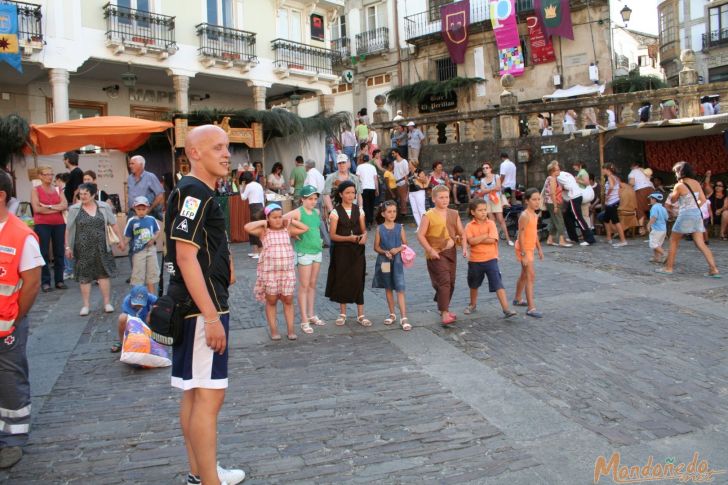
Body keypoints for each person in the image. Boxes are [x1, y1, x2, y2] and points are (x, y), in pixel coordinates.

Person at [165, 124, 245, 485]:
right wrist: (212, 317)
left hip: (196, 307)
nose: (226, 154)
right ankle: (208, 480)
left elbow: (195, 250)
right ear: (194, 153)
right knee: (209, 396)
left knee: (196, 392)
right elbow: (185, 257)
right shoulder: (194, 192)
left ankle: (202, 472)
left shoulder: (195, 191)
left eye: (227, 147)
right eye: (217, 148)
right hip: (202, 310)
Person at [0, 170, 44, 469]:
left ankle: (13, 440)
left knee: (10, 380)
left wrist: (15, 319)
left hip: (8, 326)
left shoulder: (20, 235)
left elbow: (31, 283)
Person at [246, 203, 308, 340]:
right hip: (270, 273)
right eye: (274, 217)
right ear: (267, 218)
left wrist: (290, 220)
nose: (278, 220)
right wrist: (263, 222)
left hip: (287, 273)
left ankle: (291, 330)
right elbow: (247, 227)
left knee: (288, 300)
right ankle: (274, 331)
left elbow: (305, 228)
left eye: (280, 217)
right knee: (272, 301)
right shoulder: (264, 231)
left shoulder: (287, 230)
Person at [65, 183, 124, 316]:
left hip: (101, 247)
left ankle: (107, 303)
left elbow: (113, 224)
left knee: (103, 274)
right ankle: (86, 305)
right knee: (84, 277)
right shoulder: (74, 209)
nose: (83, 196)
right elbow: (68, 229)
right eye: (81, 194)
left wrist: (120, 240)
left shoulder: (103, 207)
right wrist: (67, 247)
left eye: (86, 193)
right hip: (82, 248)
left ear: (93, 194)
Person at [657, 161, 720, 278]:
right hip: (697, 214)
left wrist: (674, 195)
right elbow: (703, 200)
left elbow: (674, 200)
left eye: (676, 172)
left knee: (673, 241)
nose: (675, 174)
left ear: (680, 172)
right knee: (700, 243)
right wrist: (694, 206)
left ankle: (668, 268)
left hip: (685, 215)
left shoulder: (679, 185)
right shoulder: (696, 183)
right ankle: (714, 269)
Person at [417, 185, 465, 326]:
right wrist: (430, 250)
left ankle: (443, 305)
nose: (445, 200)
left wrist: (464, 246)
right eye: (441, 197)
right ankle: (444, 313)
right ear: (433, 199)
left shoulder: (454, 213)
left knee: (451, 282)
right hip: (436, 253)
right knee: (444, 281)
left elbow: (461, 232)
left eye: (447, 197)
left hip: (451, 252)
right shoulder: (428, 215)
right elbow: (420, 235)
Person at [324, 180, 370, 326]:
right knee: (342, 279)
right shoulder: (335, 212)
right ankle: (342, 313)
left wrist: (364, 237)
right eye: (347, 193)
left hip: (357, 251)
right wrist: (349, 238)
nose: (351, 196)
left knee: (358, 279)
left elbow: (363, 230)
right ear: (341, 194)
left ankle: (361, 314)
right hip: (341, 252)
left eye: (353, 193)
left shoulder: (360, 210)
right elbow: (333, 236)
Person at [463, 198, 517, 319]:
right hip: (475, 260)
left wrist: (479, 239)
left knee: (498, 283)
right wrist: (485, 235)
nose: (483, 212)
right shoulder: (469, 226)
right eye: (480, 210)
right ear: (473, 212)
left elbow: (493, 240)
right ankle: (472, 304)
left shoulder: (491, 223)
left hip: (491, 259)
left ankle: (506, 308)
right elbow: (471, 241)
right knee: (474, 284)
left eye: (485, 210)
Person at [284, 185, 326, 334]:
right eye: (310, 199)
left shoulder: (316, 211)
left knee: (313, 284)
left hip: (316, 250)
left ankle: (311, 314)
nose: (313, 201)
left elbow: (315, 228)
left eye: (315, 199)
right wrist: (293, 231)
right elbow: (282, 220)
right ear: (302, 199)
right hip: (304, 252)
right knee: (304, 285)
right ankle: (303, 319)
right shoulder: (297, 212)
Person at [372, 201, 410, 331]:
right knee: (388, 287)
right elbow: (376, 247)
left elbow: (405, 244)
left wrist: (397, 249)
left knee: (400, 287)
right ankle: (392, 313)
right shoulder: (379, 229)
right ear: (383, 214)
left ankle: (404, 317)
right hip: (384, 262)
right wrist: (385, 252)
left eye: (394, 211)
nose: (392, 214)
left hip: (397, 261)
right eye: (389, 211)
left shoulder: (400, 227)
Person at [30, 165, 68, 292]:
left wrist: (48, 207)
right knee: (44, 253)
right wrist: (55, 207)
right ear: (40, 176)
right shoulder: (36, 190)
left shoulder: (58, 189)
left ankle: (59, 281)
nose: (50, 177)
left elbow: (65, 205)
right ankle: (45, 282)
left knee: (59, 252)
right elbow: (37, 209)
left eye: (51, 174)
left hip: (59, 224)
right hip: (42, 224)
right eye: (46, 174)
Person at [513, 189, 544, 318]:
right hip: (524, 249)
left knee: (524, 275)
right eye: (534, 199)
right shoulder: (525, 216)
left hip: (530, 248)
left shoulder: (535, 215)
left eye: (538, 199)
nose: (537, 202)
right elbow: (521, 235)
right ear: (527, 201)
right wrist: (524, 254)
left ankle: (517, 298)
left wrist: (539, 249)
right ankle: (531, 308)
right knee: (530, 276)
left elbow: (534, 233)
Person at [123, 196, 161, 294]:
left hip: (151, 250)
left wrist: (153, 239)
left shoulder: (152, 219)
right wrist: (123, 244)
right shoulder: (132, 221)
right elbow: (128, 235)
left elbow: (157, 231)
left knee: (151, 276)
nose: (141, 211)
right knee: (138, 276)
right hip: (138, 252)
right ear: (134, 208)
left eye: (143, 209)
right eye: (138, 209)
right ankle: (138, 299)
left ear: (147, 208)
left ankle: (151, 298)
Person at [111, 285, 158, 353]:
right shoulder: (127, 301)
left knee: (158, 313)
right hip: (134, 325)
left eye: (140, 304)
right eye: (136, 304)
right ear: (131, 297)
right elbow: (134, 322)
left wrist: (150, 313)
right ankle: (123, 342)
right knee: (122, 318)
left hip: (147, 323)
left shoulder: (149, 297)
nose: (138, 306)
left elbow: (160, 303)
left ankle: (156, 336)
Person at [557, 165, 596, 246]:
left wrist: (562, 189)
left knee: (578, 217)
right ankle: (573, 238)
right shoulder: (566, 174)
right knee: (567, 215)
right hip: (576, 195)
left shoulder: (558, 177)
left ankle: (589, 238)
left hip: (574, 197)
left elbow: (568, 186)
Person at [481, 162, 513, 246]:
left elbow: (498, 187)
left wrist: (487, 190)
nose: (485, 169)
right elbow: (482, 191)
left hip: (496, 199)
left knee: (500, 219)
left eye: (487, 167)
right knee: (491, 221)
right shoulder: (482, 180)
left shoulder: (496, 176)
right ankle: (494, 238)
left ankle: (508, 238)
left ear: (490, 169)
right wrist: (492, 189)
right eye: (483, 168)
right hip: (487, 201)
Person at [127, 155, 164, 220]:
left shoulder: (150, 176)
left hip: (146, 213)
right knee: (129, 230)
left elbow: (160, 195)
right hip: (132, 213)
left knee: (145, 230)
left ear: (141, 165)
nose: (130, 166)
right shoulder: (130, 178)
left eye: (132, 163)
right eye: (130, 164)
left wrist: (149, 209)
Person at [542, 161, 570, 247]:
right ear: (552, 171)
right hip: (554, 202)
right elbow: (552, 193)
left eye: (559, 170)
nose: (559, 171)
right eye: (557, 170)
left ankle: (550, 239)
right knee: (560, 221)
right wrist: (555, 205)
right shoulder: (553, 179)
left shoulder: (549, 178)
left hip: (549, 202)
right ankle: (561, 240)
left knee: (554, 221)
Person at [601, 164, 628, 247]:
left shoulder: (610, 177)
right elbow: (620, 186)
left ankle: (623, 240)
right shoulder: (616, 177)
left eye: (603, 169)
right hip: (613, 201)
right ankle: (609, 238)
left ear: (607, 169)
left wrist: (608, 195)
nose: (602, 171)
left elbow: (612, 187)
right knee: (606, 219)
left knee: (616, 221)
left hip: (612, 202)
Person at [240, 171, 265, 259]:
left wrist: (241, 188)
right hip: (261, 206)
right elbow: (262, 197)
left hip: (254, 207)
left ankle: (259, 252)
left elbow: (243, 197)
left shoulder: (248, 186)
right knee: (257, 228)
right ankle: (256, 251)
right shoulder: (258, 184)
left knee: (254, 229)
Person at [303, 160, 329, 246]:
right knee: (319, 219)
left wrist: (309, 199)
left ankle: (326, 240)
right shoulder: (318, 173)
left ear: (307, 166)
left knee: (318, 220)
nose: (304, 167)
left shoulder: (311, 173)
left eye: (305, 165)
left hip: (315, 197)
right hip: (320, 196)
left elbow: (312, 187)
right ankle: (323, 240)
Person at [628, 162, 654, 234]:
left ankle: (642, 229)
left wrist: (627, 189)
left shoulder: (633, 171)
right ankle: (654, 228)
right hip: (651, 189)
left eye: (631, 166)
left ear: (635, 166)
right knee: (653, 208)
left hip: (641, 190)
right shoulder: (644, 170)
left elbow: (632, 183)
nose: (630, 168)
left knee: (639, 209)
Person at [702, 170, 727, 240]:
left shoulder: (726, 197)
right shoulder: (711, 193)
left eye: (720, 186)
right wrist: (708, 176)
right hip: (708, 216)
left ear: (723, 188)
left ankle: (722, 234)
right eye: (716, 185)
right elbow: (706, 184)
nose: (717, 187)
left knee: (726, 213)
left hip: (720, 217)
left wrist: (720, 210)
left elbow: (725, 206)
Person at [356, 154, 379, 229]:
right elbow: (375, 179)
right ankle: (370, 220)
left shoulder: (359, 167)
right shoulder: (372, 167)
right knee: (371, 205)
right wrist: (377, 189)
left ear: (362, 160)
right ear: (368, 160)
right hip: (372, 188)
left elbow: (357, 179)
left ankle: (367, 221)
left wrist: (357, 189)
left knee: (365, 205)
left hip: (363, 188)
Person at [647, 192, 669, 264]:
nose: (650, 200)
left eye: (651, 198)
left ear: (654, 199)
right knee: (658, 244)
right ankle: (657, 258)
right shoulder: (663, 208)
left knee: (653, 244)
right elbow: (667, 218)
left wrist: (649, 224)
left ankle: (664, 254)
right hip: (663, 229)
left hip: (656, 229)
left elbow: (654, 217)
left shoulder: (654, 207)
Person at [573, 162, 593, 229]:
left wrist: (577, 180)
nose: (574, 167)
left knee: (584, 214)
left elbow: (587, 183)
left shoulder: (583, 172)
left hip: (584, 194)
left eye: (575, 166)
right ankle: (585, 231)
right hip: (582, 194)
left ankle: (587, 230)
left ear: (579, 165)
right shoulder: (581, 172)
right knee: (583, 214)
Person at [392, 149, 410, 220]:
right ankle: (398, 213)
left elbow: (406, 173)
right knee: (398, 199)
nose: (392, 155)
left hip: (402, 182)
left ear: (397, 153)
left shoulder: (404, 161)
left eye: (393, 153)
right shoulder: (394, 162)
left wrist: (406, 182)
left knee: (403, 199)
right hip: (395, 183)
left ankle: (404, 214)